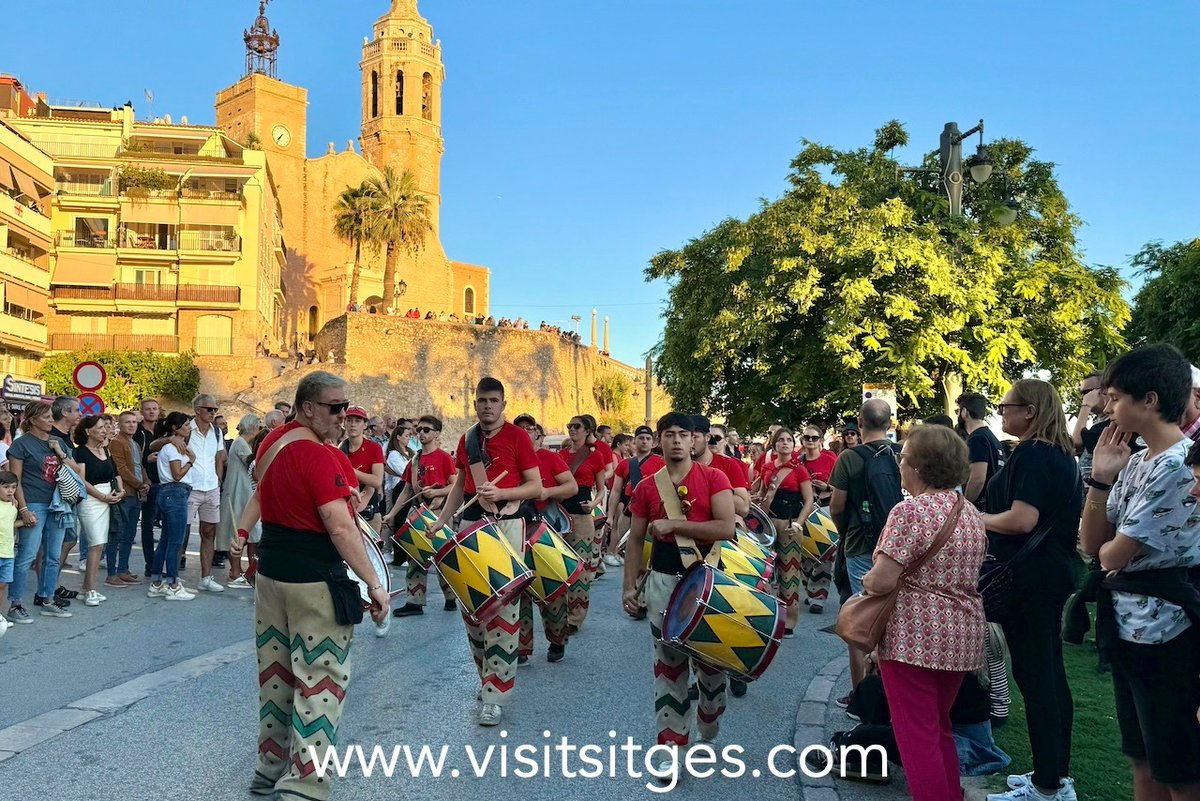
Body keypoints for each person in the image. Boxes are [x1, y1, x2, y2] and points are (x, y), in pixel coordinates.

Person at [230, 371, 387, 799]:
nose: (343, 416)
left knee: (276, 676)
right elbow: (340, 526)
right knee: (320, 680)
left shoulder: (270, 443)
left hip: (271, 576)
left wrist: (241, 534)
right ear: (308, 408)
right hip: (314, 581)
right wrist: (374, 583)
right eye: (335, 408)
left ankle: (269, 768)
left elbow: (260, 496)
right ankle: (305, 782)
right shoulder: (320, 457)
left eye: (346, 407)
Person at [1079, 345, 1200, 801]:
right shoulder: (1136, 459)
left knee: (1178, 767)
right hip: (1129, 623)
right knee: (1141, 756)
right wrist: (1099, 480)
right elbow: (1092, 544)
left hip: (1168, 628)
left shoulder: (1180, 466)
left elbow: (1112, 556)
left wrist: (1108, 546)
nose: (1107, 408)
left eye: (1115, 398)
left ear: (1149, 400)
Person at [863, 423, 988, 801]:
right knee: (939, 727)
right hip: (962, 635)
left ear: (918, 467)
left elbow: (882, 580)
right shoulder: (969, 512)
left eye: (902, 458)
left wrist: (868, 578)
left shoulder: (909, 511)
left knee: (916, 736)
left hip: (914, 636)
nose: (899, 465)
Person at [981, 379, 1082, 801]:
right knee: (1050, 675)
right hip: (1048, 577)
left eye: (1006, 406)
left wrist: (970, 516)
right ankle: (1053, 772)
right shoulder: (1060, 455)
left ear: (1030, 411)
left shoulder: (1034, 454)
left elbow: (1022, 520)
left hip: (1030, 582)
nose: (1001, 413)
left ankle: (1047, 786)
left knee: (1037, 677)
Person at [622, 412, 735, 780]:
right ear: (659, 440)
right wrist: (628, 587)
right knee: (668, 669)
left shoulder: (715, 477)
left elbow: (726, 528)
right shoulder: (647, 487)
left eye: (682, 435)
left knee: (712, 671)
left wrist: (674, 524)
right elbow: (635, 540)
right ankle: (671, 749)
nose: (676, 441)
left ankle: (708, 718)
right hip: (663, 581)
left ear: (693, 440)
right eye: (668, 434)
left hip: (708, 581)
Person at [429, 377, 544, 727]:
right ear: (475, 403)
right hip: (471, 525)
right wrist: (441, 520)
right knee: (473, 610)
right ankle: (486, 679)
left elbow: (535, 486)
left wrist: (503, 494)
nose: (488, 406)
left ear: (503, 404)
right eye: (482, 401)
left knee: (504, 610)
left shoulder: (518, 437)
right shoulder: (467, 440)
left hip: (507, 525)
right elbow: (460, 487)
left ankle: (495, 694)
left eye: (494, 401)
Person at [830, 400, 901, 706]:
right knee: (892, 618)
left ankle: (861, 695)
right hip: (896, 545)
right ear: (890, 423)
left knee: (860, 620)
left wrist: (844, 531)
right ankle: (891, 692)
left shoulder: (849, 458)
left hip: (860, 544)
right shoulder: (902, 454)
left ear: (860, 424)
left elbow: (836, 506)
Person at [512, 414, 575, 664]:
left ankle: (557, 639)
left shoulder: (549, 458)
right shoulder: (509, 459)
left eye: (529, 428)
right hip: (514, 529)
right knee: (518, 588)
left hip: (544, 530)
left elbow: (570, 486)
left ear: (538, 433)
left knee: (552, 585)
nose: (525, 432)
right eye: (520, 428)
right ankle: (521, 646)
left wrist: (547, 491)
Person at [383, 415, 458, 617]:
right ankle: (414, 601)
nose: (421, 433)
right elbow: (407, 490)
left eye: (426, 430)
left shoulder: (444, 458)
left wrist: (437, 492)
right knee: (414, 556)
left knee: (444, 557)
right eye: (419, 430)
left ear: (437, 433)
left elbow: (455, 486)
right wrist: (391, 514)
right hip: (417, 512)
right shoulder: (414, 461)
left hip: (439, 513)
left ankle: (451, 597)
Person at [7, 400, 74, 621]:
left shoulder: (58, 442)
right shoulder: (21, 444)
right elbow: (16, 480)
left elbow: (75, 471)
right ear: (33, 419)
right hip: (34, 503)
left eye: (51, 417)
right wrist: (24, 509)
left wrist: (59, 451)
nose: (51, 421)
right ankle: (15, 604)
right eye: (46, 417)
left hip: (58, 504)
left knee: (53, 556)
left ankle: (47, 599)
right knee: (26, 556)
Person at [757, 427, 815, 631]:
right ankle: (767, 616)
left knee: (789, 573)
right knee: (764, 572)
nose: (785, 443)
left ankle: (788, 620)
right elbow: (762, 494)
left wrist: (799, 524)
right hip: (768, 524)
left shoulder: (799, 469)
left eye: (789, 440)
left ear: (793, 444)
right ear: (774, 445)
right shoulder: (767, 468)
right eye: (781, 440)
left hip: (790, 525)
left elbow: (809, 501)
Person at [560, 415, 610, 632]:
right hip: (560, 516)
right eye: (569, 426)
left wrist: (593, 504)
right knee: (560, 567)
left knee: (581, 570)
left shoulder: (595, 456)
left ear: (587, 430)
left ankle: (575, 618)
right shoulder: (560, 455)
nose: (572, 429)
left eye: (577, 426)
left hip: (582, 517)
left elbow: (601, 489)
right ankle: (560, 615)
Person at [73, 414, 124, 607]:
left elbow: (115, 473)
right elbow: (82, 481)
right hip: (91, 501)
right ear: (88, 431)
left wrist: (121, 490)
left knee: (100, 544)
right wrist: (102, 497)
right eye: (101, 427)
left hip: (109, 497)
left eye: (106, 427)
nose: (105, 430)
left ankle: (86, 588)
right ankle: (90, 589)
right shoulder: (80, 452)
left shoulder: (106, 450)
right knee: (96, 544)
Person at [147, 412, 197, 602]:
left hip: (170, 493)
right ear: (175, 428)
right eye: (186, 424)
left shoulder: (173, 446)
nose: (189, 427)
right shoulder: (173, 448)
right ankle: (173, 584)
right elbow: (177, 474)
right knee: (175, 542)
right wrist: (191, 461)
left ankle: (156, 582)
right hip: (176, 492)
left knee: (166, 540)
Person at [184, 395, 227, 590]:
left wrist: (218, 479)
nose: (213, 413)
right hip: (189, 487)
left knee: (209, 532)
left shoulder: (216, 432)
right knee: (181, 532)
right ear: (197, 410)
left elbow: (219, 457)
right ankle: (172, 578)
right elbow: (160, 445)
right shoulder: (187, 430)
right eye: (209, 409)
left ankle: (206, 578)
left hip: (211, 487)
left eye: (215, 409)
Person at [605, 425, 664, 567]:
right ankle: (614, 554)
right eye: (641, 438)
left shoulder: (661, 463)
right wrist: (610, 515)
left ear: (653, 443)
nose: (644, 441)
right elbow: (616, 490)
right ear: (635, 441)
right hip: (629, 506)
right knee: (621, 534)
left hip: (652, 509)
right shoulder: (624, 464)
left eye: (648, 438)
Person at [219, 414, 262, 589]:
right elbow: (253, 464)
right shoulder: (241, 444)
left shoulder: (242, 443)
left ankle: (248, 571)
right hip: (239, 492)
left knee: (251, 534)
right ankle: (235, 572)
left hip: (244, 492)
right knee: (237, 531)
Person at [108, 411, 147, 588]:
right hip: (126, 493)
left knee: (129, 535)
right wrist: (140, 484)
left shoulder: (135, 444)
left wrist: (146, 483)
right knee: (117, 534)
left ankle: (123, 569)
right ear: (120, 424)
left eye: (134, 422)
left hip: (136, 493)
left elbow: (140, 467)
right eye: (127, 422)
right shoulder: (117, 442)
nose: (132, 425)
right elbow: (121, 469)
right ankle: (112, 573)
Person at [340, 406, 385, 535]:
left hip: (370, 511)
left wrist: (349, 469)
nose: (353, 424)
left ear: (365, 425)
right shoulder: (340, 448)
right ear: (344, 423)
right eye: (349, 420)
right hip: (347, 510)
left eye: (357, 421)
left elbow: (377, 481)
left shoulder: (374, 448)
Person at [958, 392, 1006, 509]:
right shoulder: (991, 437)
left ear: (964, 412)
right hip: (994, 505)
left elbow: (978, 478)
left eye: (957, 411)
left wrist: (964, 507)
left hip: (982, 508)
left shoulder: (977, 439)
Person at [134, 398, 162, 576]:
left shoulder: (162, 431)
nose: (151, 412)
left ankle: (161, 562)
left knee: (168, 525)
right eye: (147, 409)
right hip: (147, 483)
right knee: (147, 525)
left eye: (154, 409)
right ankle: (150, 564)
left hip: (165, 482)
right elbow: (134, 458)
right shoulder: (138, 432)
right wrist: (147, 459)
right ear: (142, 412)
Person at [0, 470, 24, 634]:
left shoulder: (13, 506)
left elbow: (9, 524)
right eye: (6, 487)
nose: (10, 491)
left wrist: (24, 522)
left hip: (8, 553)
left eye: (13, 487)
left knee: (2, 586)